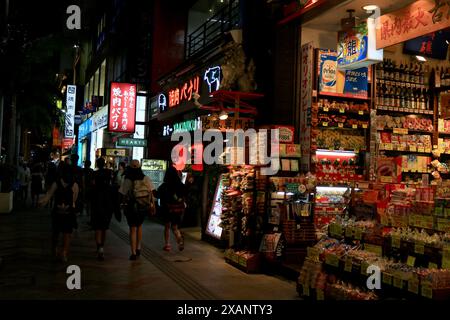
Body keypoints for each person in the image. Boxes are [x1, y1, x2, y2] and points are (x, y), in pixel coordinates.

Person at [39, 163, 79, 262]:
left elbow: (48, 195)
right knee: (67, 234)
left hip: (57, 212)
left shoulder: (56, 183)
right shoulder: (74, 184)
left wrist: (42, 202)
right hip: (69, 212)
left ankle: (55, 249)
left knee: (56, 232)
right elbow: (74, 200)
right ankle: (64, 253)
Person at [119, 159, 155, 260]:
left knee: (132, 228)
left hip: (131, 207)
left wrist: (121, 205)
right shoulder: (145, 178)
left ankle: (133, 252)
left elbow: (122, 193)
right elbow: (152, 191)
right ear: (139, 167)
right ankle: (138, 247)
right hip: (143, 206)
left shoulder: (127, 179)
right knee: (139, 226)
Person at [154, 165, 186, 252]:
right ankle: (179, 239)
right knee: (175, 227)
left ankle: (167, 245)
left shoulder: (165, 186)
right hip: (178, 209)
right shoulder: (181, 185)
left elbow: (157, 195)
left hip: (167, 209)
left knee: (167, 226)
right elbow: (184, 195)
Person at [91, 158, 113, 261]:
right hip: (107, 201)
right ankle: (102, 247)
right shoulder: (109, 172)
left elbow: (92, 186)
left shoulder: (95, 174)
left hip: (96, 201)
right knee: (104, 227)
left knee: (97, 227)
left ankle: (99, 247)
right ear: (104, 164)